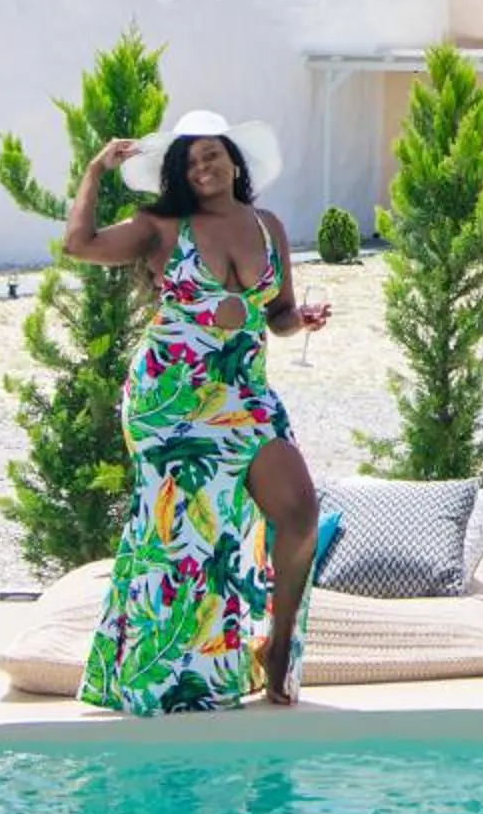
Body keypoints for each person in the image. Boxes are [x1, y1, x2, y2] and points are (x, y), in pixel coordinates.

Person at [58, 110, 332, 712]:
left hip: (245, 393)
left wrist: (301, 320)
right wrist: (94, 172)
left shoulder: (268, 226)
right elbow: (79, 245)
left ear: (234, 160)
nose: (201, 168)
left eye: (210, 154)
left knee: (299, 513)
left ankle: (277, 644)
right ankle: (158, 673)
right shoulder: (160, 226)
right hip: (170, 400)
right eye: (188, 162)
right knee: (179, 541)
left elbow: (278, 313)